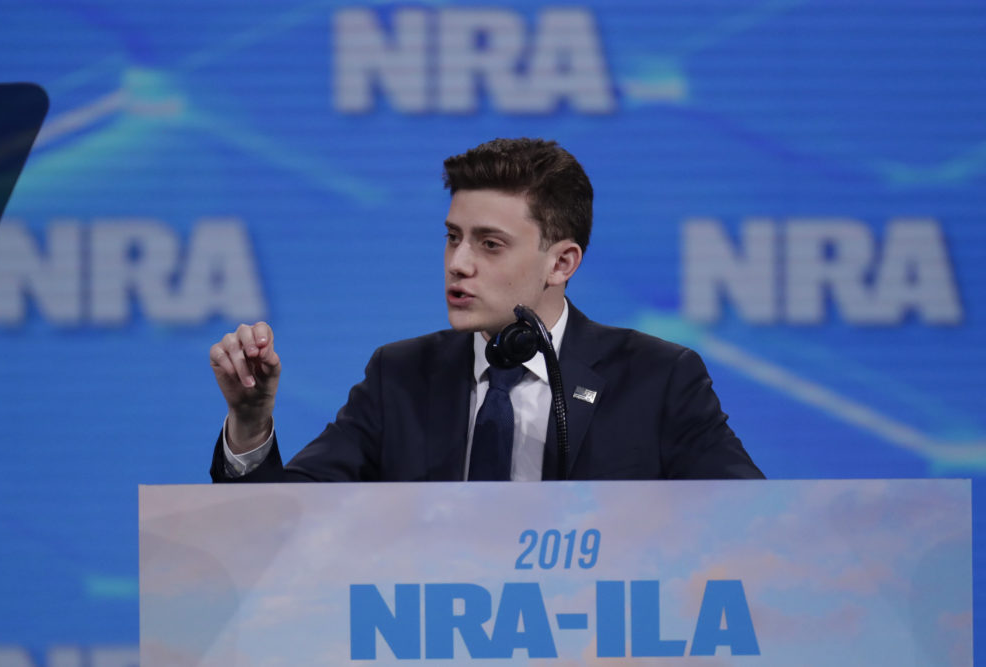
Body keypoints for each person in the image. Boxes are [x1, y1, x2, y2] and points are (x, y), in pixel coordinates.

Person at [209, 138, 763, 482]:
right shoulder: (400, 376)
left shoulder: (657, 378)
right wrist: (251, 424)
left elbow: (755, 525)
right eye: (453, 238)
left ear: (561, 262)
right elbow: (281, 524)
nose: (458, 263)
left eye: (489, 244)